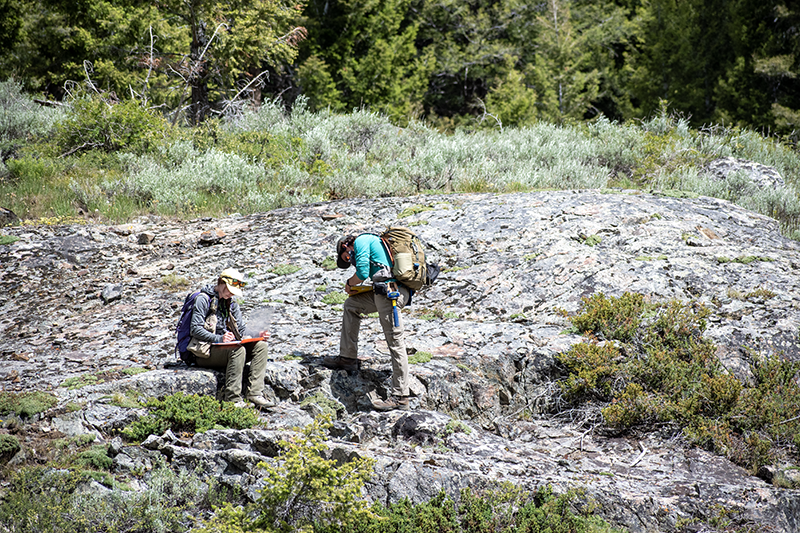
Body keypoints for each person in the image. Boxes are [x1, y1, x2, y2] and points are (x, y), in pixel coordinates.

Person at [323, 234, 411, 411]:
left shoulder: (362, 241)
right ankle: (347, 358)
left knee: (395, 342)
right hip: (383, 291)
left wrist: (349, 283)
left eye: (347, 256)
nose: (350, 260)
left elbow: (362, 272)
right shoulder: (370, 243)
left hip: (390, 293)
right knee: (351, 305)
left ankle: (401, 396)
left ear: (347, 245)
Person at [191, 268, 271, 407]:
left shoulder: (231, 303)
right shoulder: (202, 300)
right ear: (221, 282)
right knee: (238, 350)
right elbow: (195, 329)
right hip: (204, 352)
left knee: (261, 346)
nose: (231, 293)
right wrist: (219, 338)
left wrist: (257, 334)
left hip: (223, 350)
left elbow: (241, 329)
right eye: (229, 289)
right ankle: (232, 400)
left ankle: (255, 394)